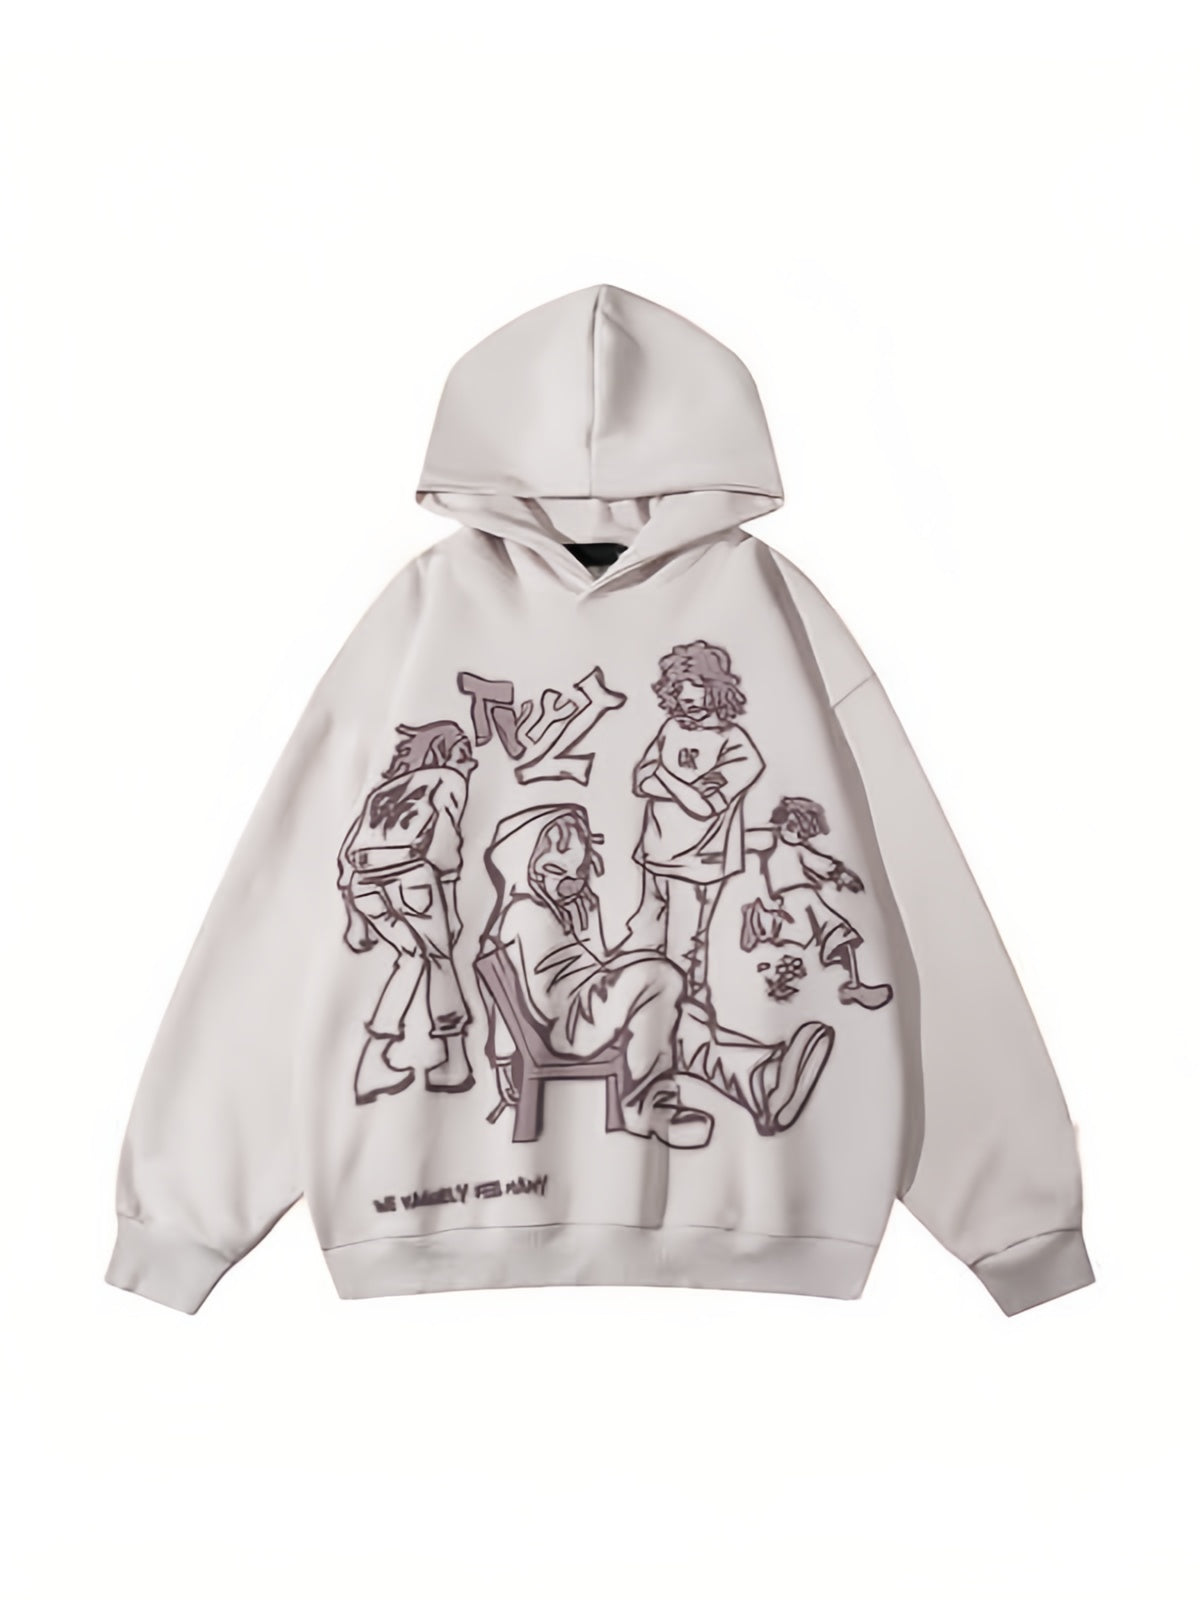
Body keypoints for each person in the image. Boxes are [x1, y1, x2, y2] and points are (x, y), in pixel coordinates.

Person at [479, 803, 715, 1149]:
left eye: (580, 870)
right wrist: (503, 1057)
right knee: (660, 976)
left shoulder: (577, 907)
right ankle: (648, 1105)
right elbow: (503, 994)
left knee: (684, 1015)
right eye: (556, 870)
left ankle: (758, 1076)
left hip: (592, 1006)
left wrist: (601, 932)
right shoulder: (522, 912)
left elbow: (597, 965)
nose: (571, 882)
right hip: (570, 1025)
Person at [338, 720, 478, 1103]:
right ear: (444, 752)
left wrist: (354, 917)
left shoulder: (382, 791)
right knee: (440, 961)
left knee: (412, 959)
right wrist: (450, 902)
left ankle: (373, 1061)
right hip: (410, 876)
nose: (469, 762)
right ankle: (453, 1060)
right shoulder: (447, 779)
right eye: (463, 753)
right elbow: (445, 840)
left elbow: (348, 850)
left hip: (365, 883)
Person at [624, 641, 764, 1008]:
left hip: (699, 865)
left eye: (696, 690)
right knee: (644, 940)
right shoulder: (671, 728)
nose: (687, 702)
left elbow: (703, 807)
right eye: (679, 693)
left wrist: (664, 778)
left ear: (716, 687)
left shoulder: (737, 746)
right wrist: (684, 788)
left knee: (684, 952)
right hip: (654, 854)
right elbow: (641, 781)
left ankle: (688, 1023)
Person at [741, 796, 893, 1010]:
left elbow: (821, 864)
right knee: (805, 942)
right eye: (795, 825)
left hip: (809, 902)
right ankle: (759, 922)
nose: (798, 832)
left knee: (838, 935)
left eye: (801, 829)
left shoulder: (797, 848)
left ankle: (854, 986)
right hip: (794, 903)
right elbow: (740, 840)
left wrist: (842, 876)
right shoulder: (770, 840)